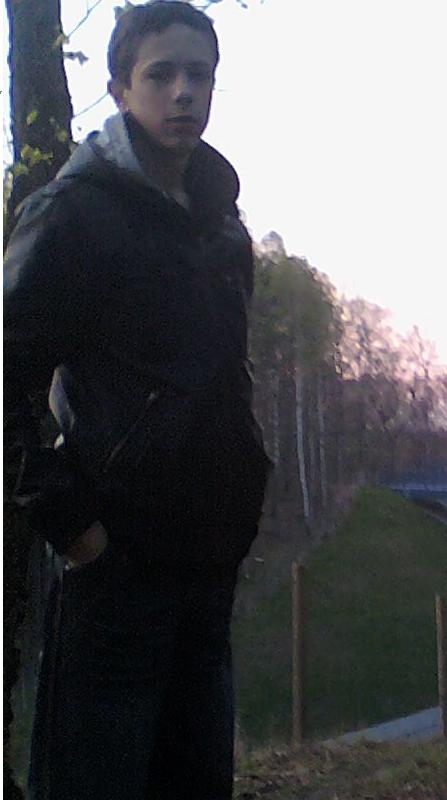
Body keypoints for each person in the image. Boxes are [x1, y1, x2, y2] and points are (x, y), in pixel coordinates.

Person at [4, 2, 270, 797]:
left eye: (200, 75)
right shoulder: (74, 215)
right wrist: (70, 523)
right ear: (121, 89)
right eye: (161, 75)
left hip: (207, 568)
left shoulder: (221, 226)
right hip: (115, 575)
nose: (183, 91)